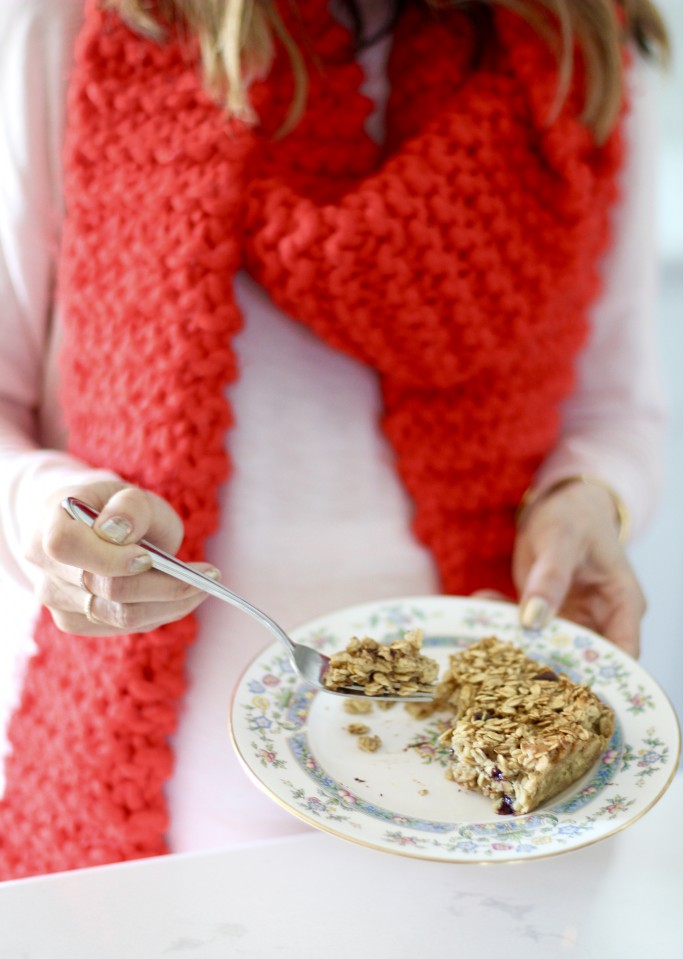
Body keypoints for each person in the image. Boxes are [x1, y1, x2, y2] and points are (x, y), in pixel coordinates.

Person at [0, 0, 669, 879]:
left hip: (491, 794)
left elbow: (615, 409)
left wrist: (587, 496)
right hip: (162, 799)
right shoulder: (76, 32)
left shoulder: (582, 53)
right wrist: (50, 516)